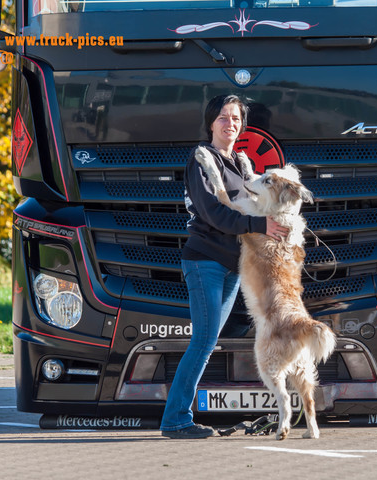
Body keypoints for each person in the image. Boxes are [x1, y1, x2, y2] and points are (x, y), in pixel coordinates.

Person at [160, 94, 289, 439]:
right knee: (202, 340)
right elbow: (213, 214)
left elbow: (260, 203)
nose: (229, 123)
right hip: (205, 261)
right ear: (210, 123)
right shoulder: (201, 160)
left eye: (235, 118)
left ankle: (178, 417)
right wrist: (263, 228)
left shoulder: (241, 166)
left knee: (208, 339)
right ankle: (175, 420)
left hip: (233, 265)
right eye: (222, 117)